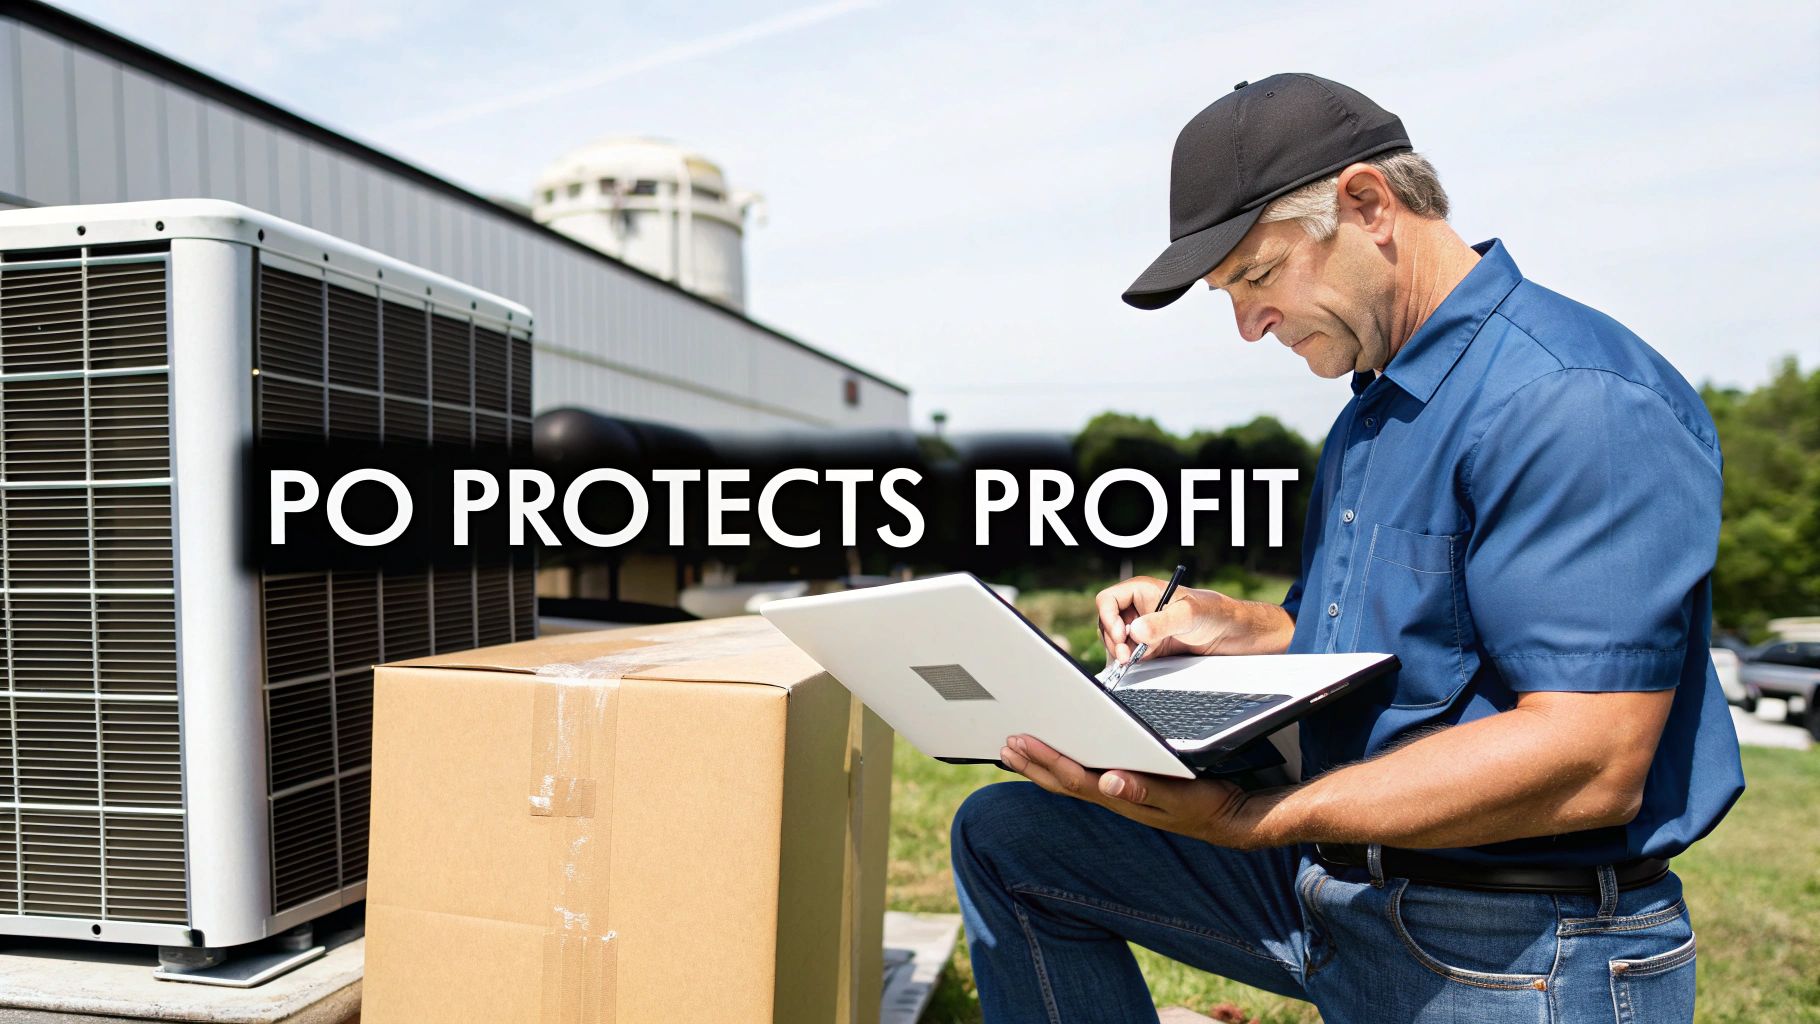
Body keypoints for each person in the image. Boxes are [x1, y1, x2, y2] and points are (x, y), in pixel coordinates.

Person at [949, 73, 1743, 1024]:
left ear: (1367, 205)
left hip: (1517, 941)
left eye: (1256, 276)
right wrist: (1236, 627)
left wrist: (1258, 820)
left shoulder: (1573, 400)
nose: (1248, 326)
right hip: (1338, 887)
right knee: (1014, 835)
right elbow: (1387, 642)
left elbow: (1588, 756)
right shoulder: (1378, 405)